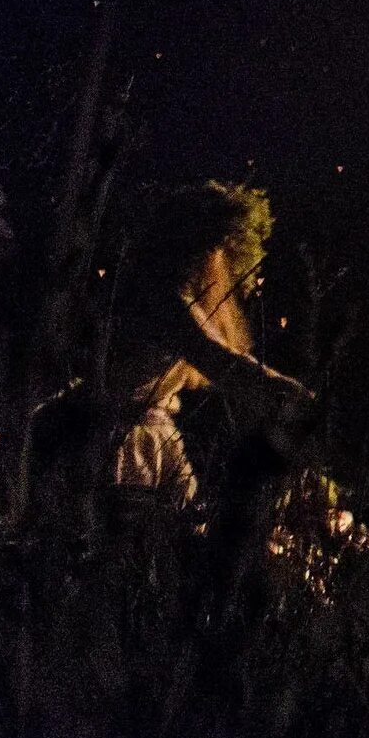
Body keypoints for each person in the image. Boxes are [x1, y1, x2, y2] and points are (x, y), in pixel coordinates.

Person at [98, 182, 310, 505]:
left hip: (149, 439)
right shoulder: (166, 302)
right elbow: (223, 362)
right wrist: (297, 399)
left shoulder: (172, 299)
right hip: (122, 445)